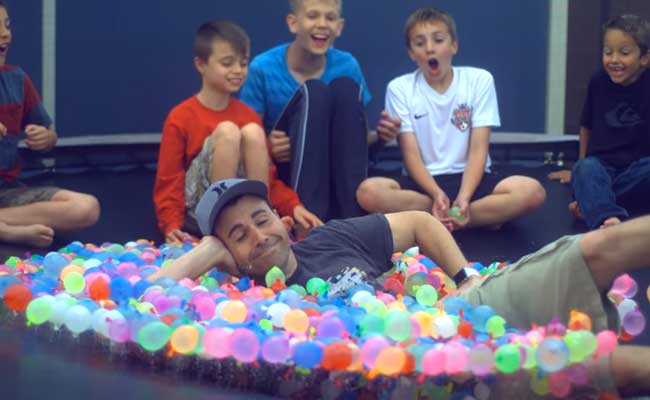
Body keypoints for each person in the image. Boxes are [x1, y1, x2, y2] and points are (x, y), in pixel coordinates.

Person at [150, 178, 650, 397]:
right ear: (228, 257)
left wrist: (464, 279)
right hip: (416, 373)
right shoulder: (238, 303)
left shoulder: (331, 237)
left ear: (282, 220)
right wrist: (210, 252)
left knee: (592, 251)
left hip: (458, 315)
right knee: (603, 368)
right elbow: (155, 296)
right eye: (240, 236)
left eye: (261, 221)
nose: (258, 238)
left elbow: (416, 220)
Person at [355, 8, 545, 232]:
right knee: (368, 192)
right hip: (424, 185)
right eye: (419, 43)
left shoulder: (479, 80)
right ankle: (458, 214)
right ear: (411, 53)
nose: (429, 48)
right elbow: (411, 155)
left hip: (472, 179)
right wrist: (436, 194)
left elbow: (478, 149)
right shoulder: (400, 88)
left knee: (533, 192)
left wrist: (464, 196)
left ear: (453, 46)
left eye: (438, 40)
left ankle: (450, 217)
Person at [153, 20, 321, 244]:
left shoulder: (248, 115)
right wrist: (171, 224)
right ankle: (221, 224)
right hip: (199, 213)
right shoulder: (181, 117)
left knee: (251, 132)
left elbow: (268, 179)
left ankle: (263, 220)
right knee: (228, 132)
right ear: (201, 64)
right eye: (227, 63)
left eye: (243, 63)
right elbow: (169, 179)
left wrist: (294, 206)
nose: (237, 71)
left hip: (245, 209)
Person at [239, 0, 401, 221]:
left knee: (345, 87)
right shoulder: (263, 68)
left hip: (337, 177)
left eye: (330, 18)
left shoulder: (348, 65)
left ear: (339, 27)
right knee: (315, 91)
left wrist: (381, 137)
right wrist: (268, 146)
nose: (322, 24)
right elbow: (248, 139)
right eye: (313, 16)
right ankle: (309, 222)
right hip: (289, 177)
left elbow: (357, 141)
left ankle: (352, 221)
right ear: (293, 23)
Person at [0, 0, 99, 248]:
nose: (5, 35)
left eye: (7, 25)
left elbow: (50, 134)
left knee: (86, 207)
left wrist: (46, 138)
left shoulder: (17, 80)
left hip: (8, 193)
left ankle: (4, 224)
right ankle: (8, 231)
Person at [549, 14, 650, 230]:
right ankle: (607, 216)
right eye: (607, 52)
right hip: (602, 166)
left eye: (624, 53)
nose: (614, 59)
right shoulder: (598, 81)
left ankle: (592, 202)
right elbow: (586, 126)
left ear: (644, 58)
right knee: (587, 168)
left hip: (636, 171)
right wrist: (578, 169)